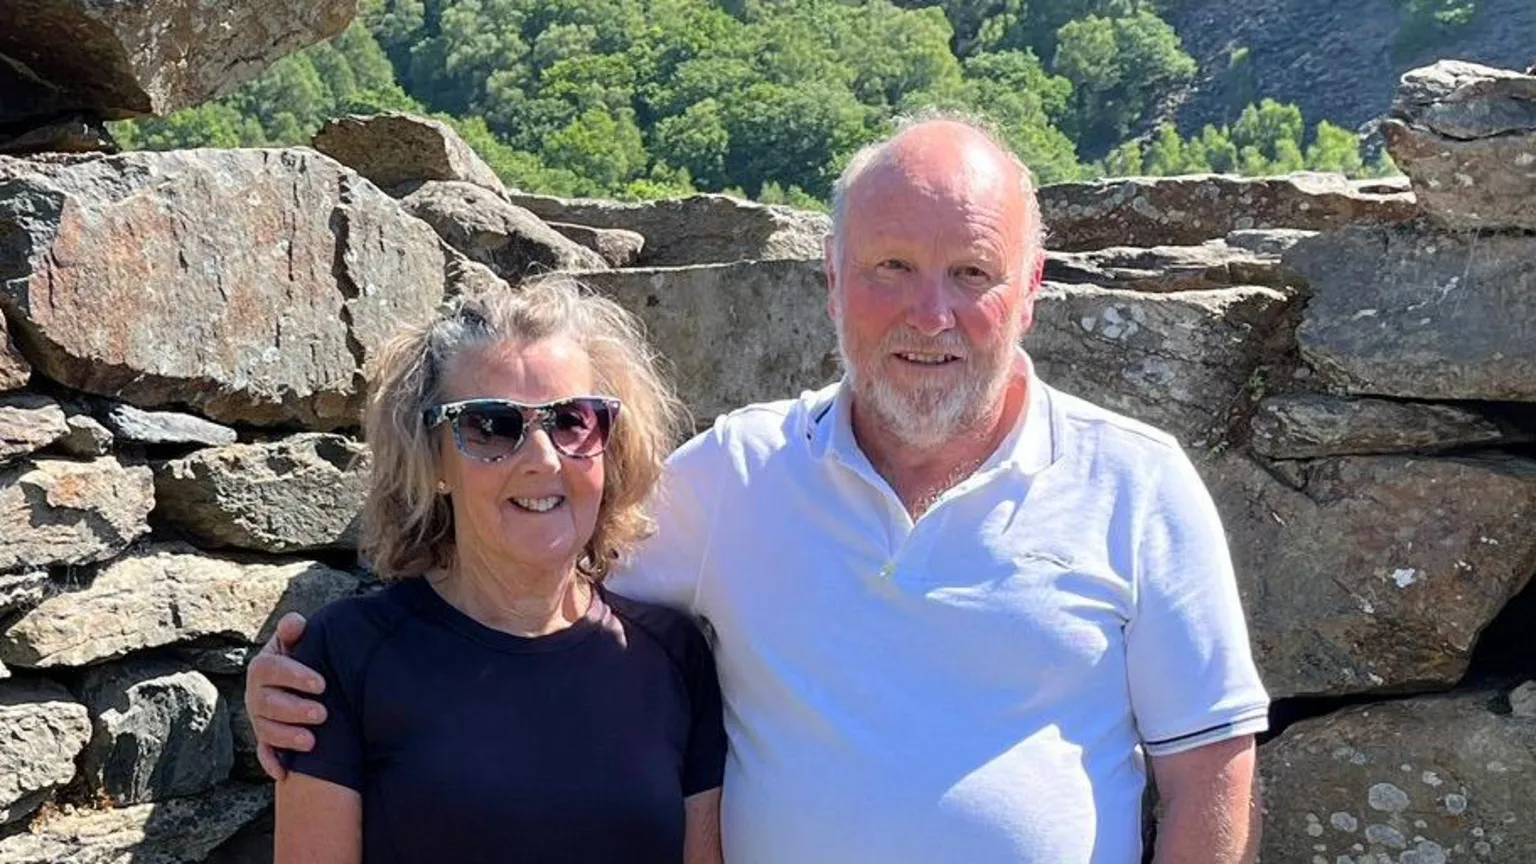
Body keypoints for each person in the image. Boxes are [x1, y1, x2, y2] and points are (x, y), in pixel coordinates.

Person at [250, 115, 1269, 863]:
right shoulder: (736, 478)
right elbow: (528, 583)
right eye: (892, 267)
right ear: (831, 277)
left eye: (971, 273)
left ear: (1031, 288)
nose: (930, 313)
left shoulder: (1137, 485)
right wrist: (301, 687)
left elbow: (1208, 778)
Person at [269, 278, 726, 864]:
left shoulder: (675, 657)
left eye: (572, 420)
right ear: (431, 456)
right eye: (490, 425)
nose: (541, 458)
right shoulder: (343, 657)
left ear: (611, 445)